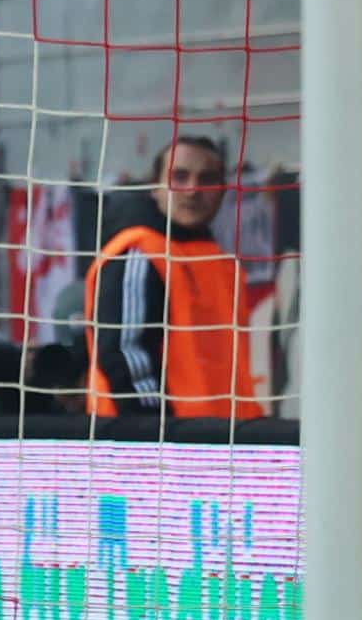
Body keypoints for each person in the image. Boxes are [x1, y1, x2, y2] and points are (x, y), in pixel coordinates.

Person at [85, 136, 263, 422]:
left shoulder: (219, 262)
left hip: (223, 440)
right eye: (179, 176)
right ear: (155, 187)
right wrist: (157, 435)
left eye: (206, 179)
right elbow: (124, 354)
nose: (192, 190)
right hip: (164, 448)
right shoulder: (139, 251)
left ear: (222, 190)